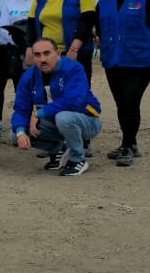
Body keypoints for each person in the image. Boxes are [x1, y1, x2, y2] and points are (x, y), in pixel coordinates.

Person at [93, 0, 150, 166]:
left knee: (130, 102)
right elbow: (99, 28)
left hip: (137, 63)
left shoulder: (145, 0)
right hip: (112, 61)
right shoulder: (104, 2)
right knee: (120, 103)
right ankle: (130, 144)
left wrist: (144, 50)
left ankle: (127, 146)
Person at [12, 37, 103, 177]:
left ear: (58, 53)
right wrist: (20, 132)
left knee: (63, 117)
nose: (42, 59)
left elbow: (73, 100)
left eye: (47, 53)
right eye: (37, 55)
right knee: (16, 133)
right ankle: (58, 150)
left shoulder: (74, 68)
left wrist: (38, 113)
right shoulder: (28, 76)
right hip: (53, 121)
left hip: (86, 120)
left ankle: (78, 159)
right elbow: (20, 108)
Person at [33, 0, 98, 82]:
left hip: (76, 52)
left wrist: (74, 48)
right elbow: (31, 23)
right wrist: (31, 49)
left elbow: (88, 20)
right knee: (49, 92)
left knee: (77, 91)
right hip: (47, 54)